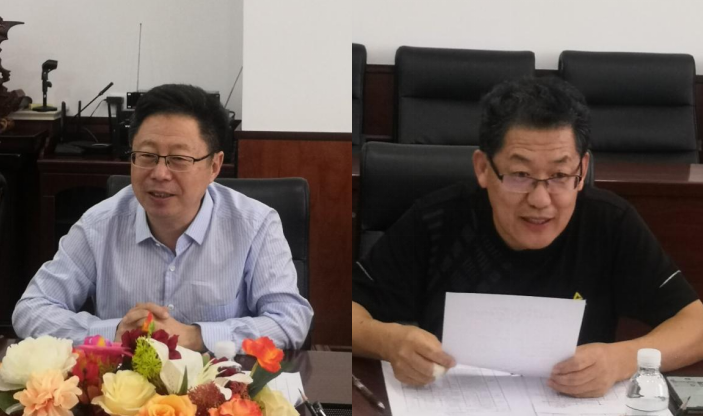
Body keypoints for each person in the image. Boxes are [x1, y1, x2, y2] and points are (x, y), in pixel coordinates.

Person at [352, 77, 703, 397]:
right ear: (483, 169)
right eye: (520, 174)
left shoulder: (610, 224)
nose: (540, 200)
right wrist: (388, 341)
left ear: (582, 171)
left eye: (559, 175)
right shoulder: (436, 220)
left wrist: (622, 359)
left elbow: (696, 324)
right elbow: (346, 312)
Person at [14, 84, 313, 352]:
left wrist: (196, 336)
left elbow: (291, 320)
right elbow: (31, 309)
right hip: (124, 388)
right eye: (147, 155)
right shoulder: (99, 224)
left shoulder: (255, 224)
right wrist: (114, 332)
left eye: (179, 159)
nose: (159, 173)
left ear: (214, 166)